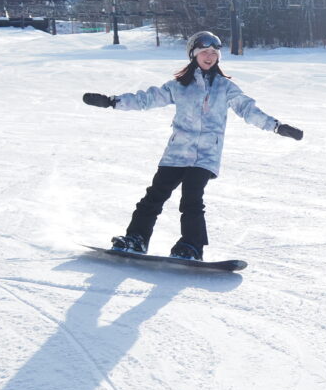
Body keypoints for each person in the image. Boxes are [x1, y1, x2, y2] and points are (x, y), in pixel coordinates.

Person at [82, 31, 303, 259]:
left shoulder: (225, 88)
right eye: (205, 52)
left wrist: (277, 126)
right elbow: (146, 99)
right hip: (176, 153)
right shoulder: (178, 86)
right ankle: (136, 239)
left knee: (191, 199)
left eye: (214, 53)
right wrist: (112, 102)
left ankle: (191, 246)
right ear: (193, 54)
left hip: (206, 156)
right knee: (154, 196)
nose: (210, 56)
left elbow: (248, 110)